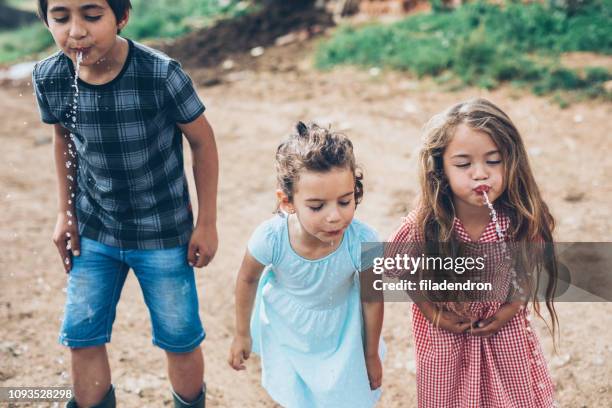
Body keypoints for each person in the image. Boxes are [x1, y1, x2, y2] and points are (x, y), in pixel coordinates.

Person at [32, 1, 218, 407]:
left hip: (163, 232)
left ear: (122, 16)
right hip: (95, 230)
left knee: (179, 336)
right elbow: (63, 138)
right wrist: (65, 214)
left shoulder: (160, 74)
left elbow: (203, 142)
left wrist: (206, 223)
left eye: (92, 16)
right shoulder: (49, 77)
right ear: (45, 20)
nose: (76, 32)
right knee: (81, 335)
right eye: (61, 18)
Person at [388, 98, 558, 407]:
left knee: (513, 398)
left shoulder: (519, 219)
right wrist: (432, 312)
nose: (480, 174)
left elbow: (529, 269)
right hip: (446, 336)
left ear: (512, 161)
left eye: (493, 161)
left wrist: (510, 308)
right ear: (440, 168)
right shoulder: (425, 225)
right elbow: (400, 268)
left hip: (504, 332)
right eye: (464, 164)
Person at [228, 122, 385, 407]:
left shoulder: (364, 241)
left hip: (343, 332)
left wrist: (371, 353)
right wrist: (242, 334)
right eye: (317, 206)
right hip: (289, 330)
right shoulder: (271, 237)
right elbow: (247, 279)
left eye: (345, 201)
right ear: (287, 202)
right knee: (297, 396)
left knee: (346, 395)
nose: (334, 216)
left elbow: (373, 298)